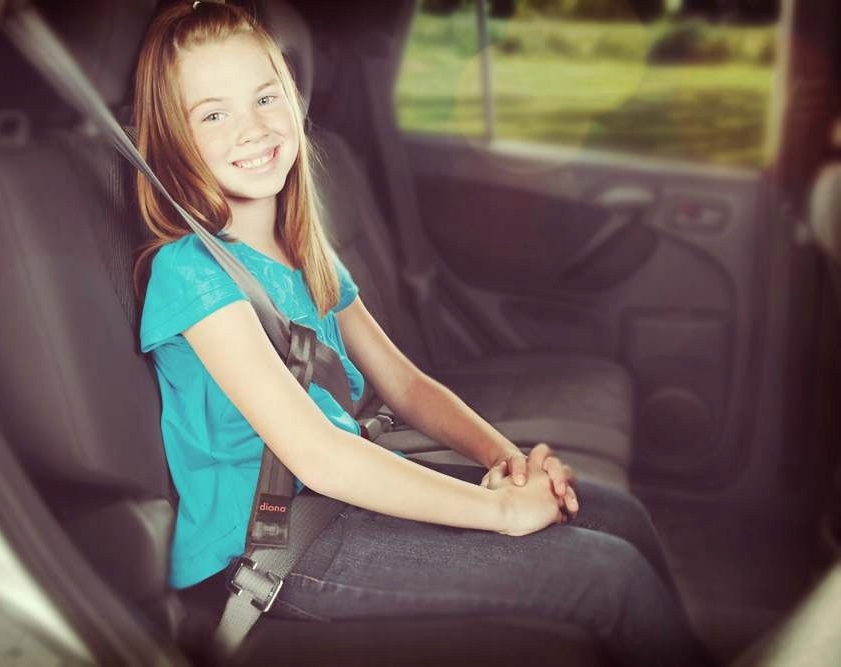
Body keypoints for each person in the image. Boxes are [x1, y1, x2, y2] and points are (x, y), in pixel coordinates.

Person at [133, 2, 712, 665]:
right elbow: (318, 455)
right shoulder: (192, 274)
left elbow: (405, 385)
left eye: (266, 97)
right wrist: (502, 513)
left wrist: (508, 463)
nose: (254, 127)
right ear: (172, 139)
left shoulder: (301, 251)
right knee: (607, 575)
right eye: (214, 115)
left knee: (617, 516)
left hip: (338, 503)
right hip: (273, 546)